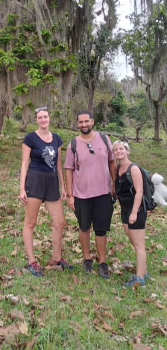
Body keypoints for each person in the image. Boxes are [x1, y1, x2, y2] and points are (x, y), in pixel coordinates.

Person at [19, 107, 71, 277]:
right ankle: (31, 262)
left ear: (49, 118)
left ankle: (56, 257)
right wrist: (21, 188)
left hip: (52, 181)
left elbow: (58, 163)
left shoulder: (56, 138)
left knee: (60, 222)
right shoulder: (30, 138)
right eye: (40, 117)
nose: (43, 119)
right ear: (36, 120)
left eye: (45, 116)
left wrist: (63, 185)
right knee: (30, 222)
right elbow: (25, 163)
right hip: (35, 180)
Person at [63, 110, 115, 279]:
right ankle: (87, 259)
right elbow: (69, 170)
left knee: (101, 229)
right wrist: (70, 195)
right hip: (81, 194)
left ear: (92, 121)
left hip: (103, 193)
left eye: (87, 121)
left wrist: (114, 184)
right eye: (80, 122)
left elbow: (112, 161)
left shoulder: (104, 139)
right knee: (84, 226)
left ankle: (102, 262)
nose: (84, 125)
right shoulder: (73, 144)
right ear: (77, 124)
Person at [112, 141, 148, 288]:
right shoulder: (118, 168)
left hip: (136, 210)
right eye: (116, 150)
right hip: (125, 210)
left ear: (127, 151)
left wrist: (134, 212)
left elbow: (139, 191)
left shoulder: (133, 168)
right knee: (134, 242)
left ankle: (139, 279)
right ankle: (143, 271)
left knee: (139, 245)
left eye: (121, 149)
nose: (119, 151)